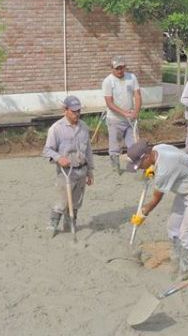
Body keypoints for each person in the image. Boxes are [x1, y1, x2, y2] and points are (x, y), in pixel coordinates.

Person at [127, 140, 188, 281]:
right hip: (184, 190)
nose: (141, 169)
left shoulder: (165, 169)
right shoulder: (158, 148)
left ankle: (185, 269)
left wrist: (143, 213)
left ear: (147, 157)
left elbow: (155, 199)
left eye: (140, 165)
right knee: (173, 226)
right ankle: (176, 260)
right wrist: (153, 169)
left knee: (186, 231)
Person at [43, 96, 94, 232]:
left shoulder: (84, 127)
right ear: (65, 110)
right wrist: (59, 158)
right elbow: (47, 150)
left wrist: (90, 171)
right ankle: (52, 226)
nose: (76, 114)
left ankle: (69, 224)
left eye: (78, 111)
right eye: (73, 111)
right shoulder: (56, 128)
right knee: (62, 201)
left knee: (76, 202)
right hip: (65, 172)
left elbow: (88, 150)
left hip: (81, 170)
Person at [102, 56, 142, 174]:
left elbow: (138, 95)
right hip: (115, 120)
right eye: (117, 68)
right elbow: (109, 103)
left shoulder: (132, 77)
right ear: (112, 68)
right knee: (115, 147)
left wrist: (136, 111)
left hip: (130, 120)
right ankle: (115, 170)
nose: (120, 70)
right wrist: (125, 113)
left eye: (122, 68)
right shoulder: (108, 81)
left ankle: (132, 169)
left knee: (134, 146)